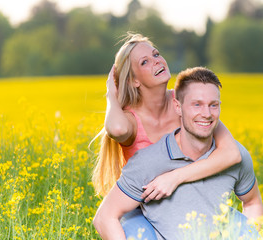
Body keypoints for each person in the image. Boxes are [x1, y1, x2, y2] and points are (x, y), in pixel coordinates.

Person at [92, 33, 241, 239]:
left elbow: (231, 154)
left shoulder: (186, 103)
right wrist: (111, 93)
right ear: (134, 80)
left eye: (156, 54)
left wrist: (175, 178)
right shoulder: (131, 120)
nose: (157, 61)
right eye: (145, 62)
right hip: (144, 210)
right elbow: (116, 129)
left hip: (190, 201)